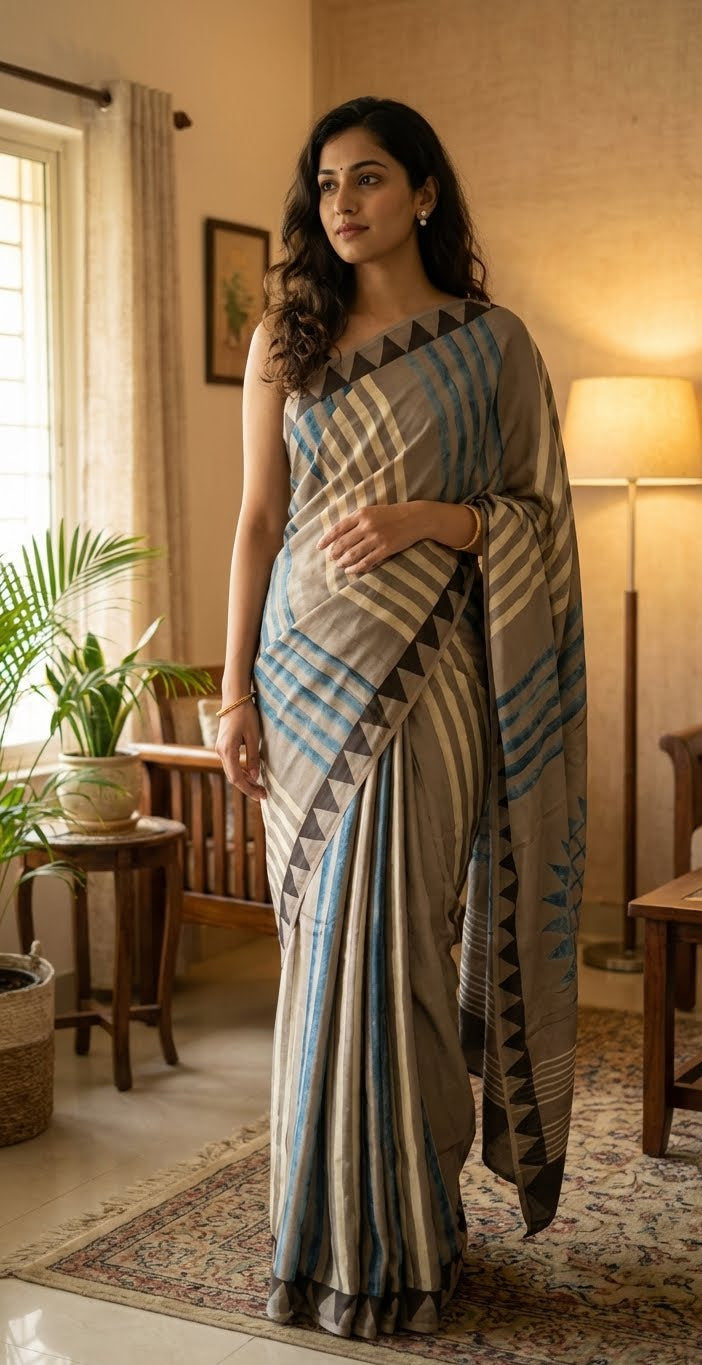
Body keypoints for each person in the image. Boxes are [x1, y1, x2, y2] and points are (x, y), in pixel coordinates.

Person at [216, 95, 587, 1342]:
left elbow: (538, 511)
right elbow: (257, 523)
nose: (341, 205)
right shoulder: (288, 337)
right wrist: (230, 694)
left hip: (432, 685)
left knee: (401, 951)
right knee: (327, 958)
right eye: (325, 185)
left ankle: (409, 1234)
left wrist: (435, 521)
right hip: (302, 679)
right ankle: (321, 1238)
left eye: (367, 179)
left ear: (423, 192)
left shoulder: (493, 346)